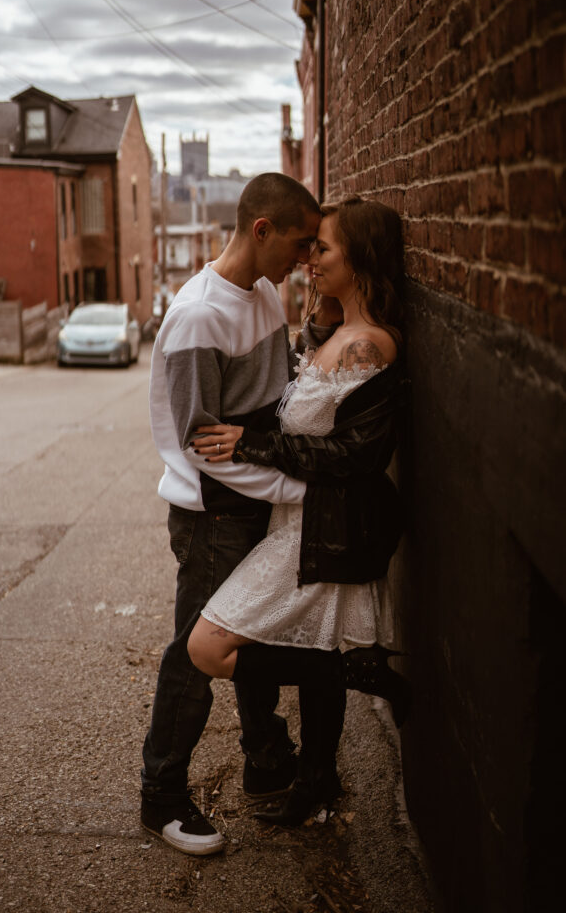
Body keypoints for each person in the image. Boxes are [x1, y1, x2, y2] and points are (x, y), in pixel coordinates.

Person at [187, 195, 409, 826]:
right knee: (317, 658)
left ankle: (347, 668)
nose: (311, 260)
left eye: (325, 248)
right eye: (310, 248)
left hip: (321, 526)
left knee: (207, 646)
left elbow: (353, 454)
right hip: (298, 520)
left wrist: (251, 442)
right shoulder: (337, 333)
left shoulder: (369, 347)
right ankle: (317, 781)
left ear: (361, 259)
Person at [141, 172, 323, 855]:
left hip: (254, 503)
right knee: (195, 655)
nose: (304, 259)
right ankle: (159, 797)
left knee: (250, 638)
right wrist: (296, 491)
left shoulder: (267, 292)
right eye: (300, 243)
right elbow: (203, 444)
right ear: (261, 230)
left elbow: (275, 396)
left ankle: (266, 766)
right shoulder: (197, 316)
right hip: (214, 514)